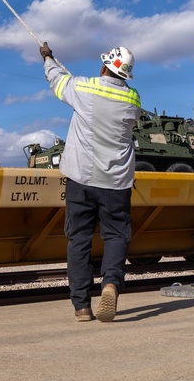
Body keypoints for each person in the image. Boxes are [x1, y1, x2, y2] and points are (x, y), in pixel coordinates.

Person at [40, 41, 141, 322]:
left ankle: (82, 306)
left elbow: (57, 81)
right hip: (117, 183)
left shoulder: (82, 88)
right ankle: (110, 284)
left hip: (81, 179)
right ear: (126, 74)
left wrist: (47, 57)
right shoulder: (133, 100)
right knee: (117, 236)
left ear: (105, 65)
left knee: (79, 239)